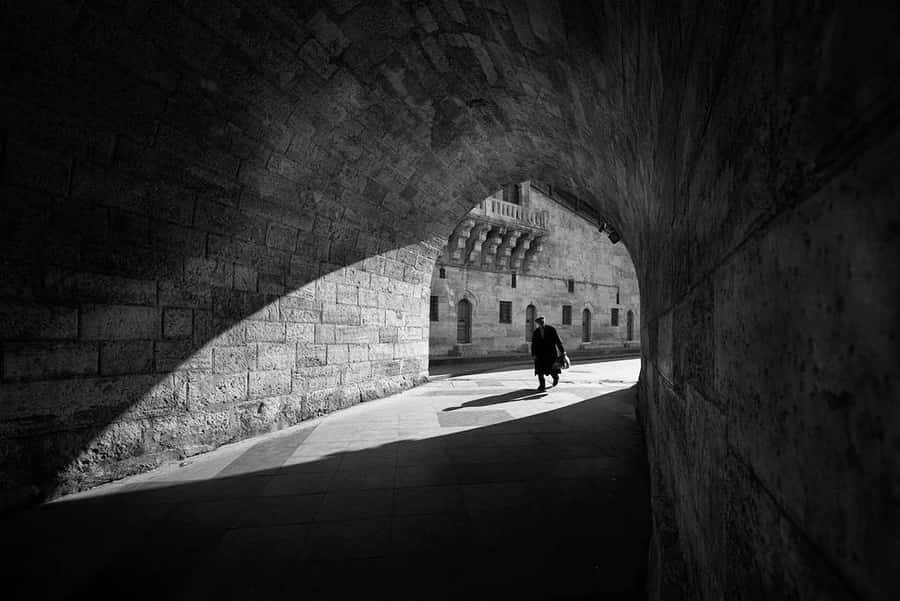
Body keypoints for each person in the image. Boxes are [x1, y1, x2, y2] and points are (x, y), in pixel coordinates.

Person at [531, 315, 566, 391]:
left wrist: (562, 351)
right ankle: (542, 385)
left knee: (552, 369)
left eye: (542, 321)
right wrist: (533, 354)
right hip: (539, 354)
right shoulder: (536, 332)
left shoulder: (551, 329)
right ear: (537, 323)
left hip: (550, 353)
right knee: (539, 370)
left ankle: (555, 377)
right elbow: (533, 344)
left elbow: (558, 341)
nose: (541, 323)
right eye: (540, 322)